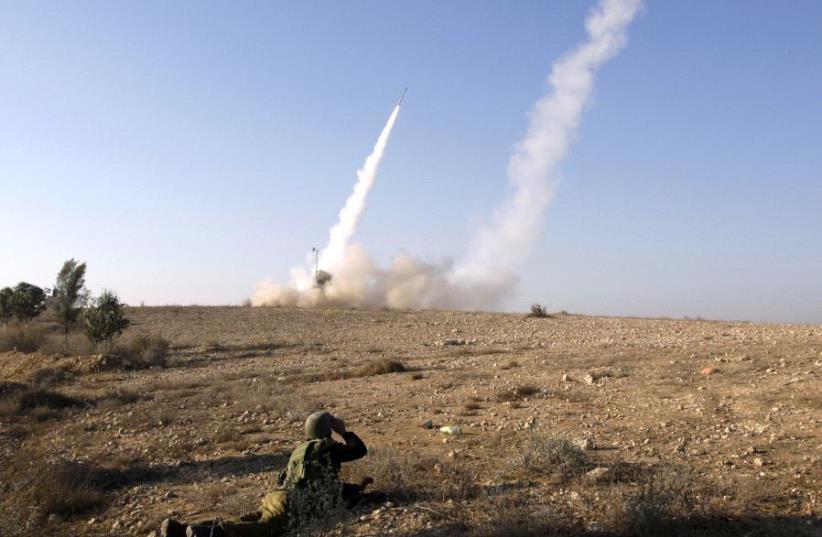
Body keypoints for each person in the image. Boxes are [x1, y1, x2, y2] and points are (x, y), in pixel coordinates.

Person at [160, 411, 377, 537]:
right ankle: (210, 534)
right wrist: (344, 431)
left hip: (276, 495)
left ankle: (182, 530)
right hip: (292, 502)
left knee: (246, 520)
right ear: (327, 431)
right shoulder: (325, 448)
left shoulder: (300, 450)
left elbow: (324, 485)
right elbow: (359, 450)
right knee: (263, 530)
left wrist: (357, 488)